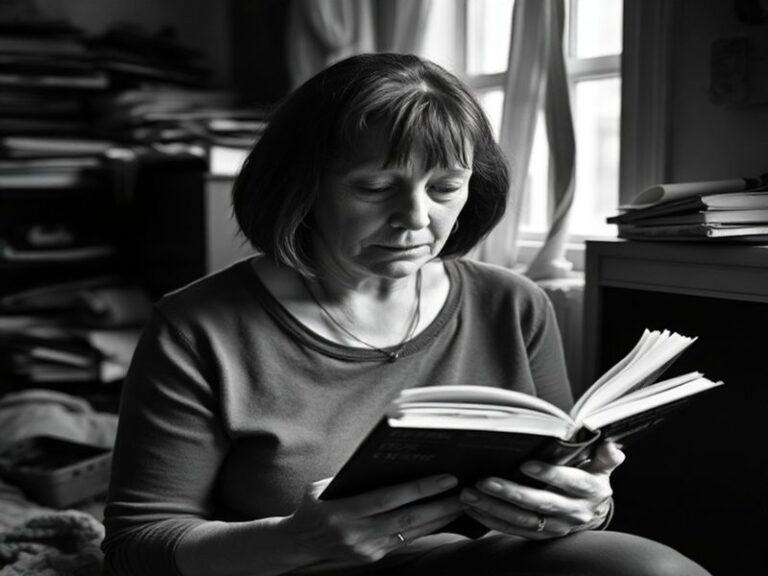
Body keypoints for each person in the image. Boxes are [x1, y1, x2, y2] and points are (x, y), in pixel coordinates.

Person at [102, 53, 711, 576]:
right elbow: (136, 549)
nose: (416, 219)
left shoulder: (513, 302)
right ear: (301, 186)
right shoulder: (197, 327)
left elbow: (554, 480)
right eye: (373, 188)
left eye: (446, 188)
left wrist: (586, 504)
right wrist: (293, 540)